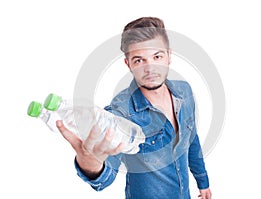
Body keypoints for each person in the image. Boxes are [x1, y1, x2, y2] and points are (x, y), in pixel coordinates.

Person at [56, 17, 212, 199]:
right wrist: (91, 165)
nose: (150, 68)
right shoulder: (120, 112)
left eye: (157, 56)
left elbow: (191, 139)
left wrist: (203, 182)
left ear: (169, 56)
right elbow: (105, 175)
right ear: (128, 63)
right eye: (139, 60)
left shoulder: (184, 92)